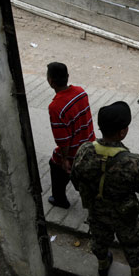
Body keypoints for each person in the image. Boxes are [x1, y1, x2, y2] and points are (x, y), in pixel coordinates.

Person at [71, 101, 139, 276]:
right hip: (125, 214)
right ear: (122, 132)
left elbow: (75, 180)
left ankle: (103, 264)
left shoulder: (84, 151)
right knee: (131, 243)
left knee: (99, 239)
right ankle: (136, 273)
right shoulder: (133, 161)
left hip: (96, 211)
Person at [47, 61, 95, 209]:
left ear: (51, 81)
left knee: (56, 165)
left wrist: (64, 159)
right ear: (68, 77)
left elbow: (63, 140)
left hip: (74, 152)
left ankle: (59, 199)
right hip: (89, 144)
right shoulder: (80, 92)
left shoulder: (56, 107)